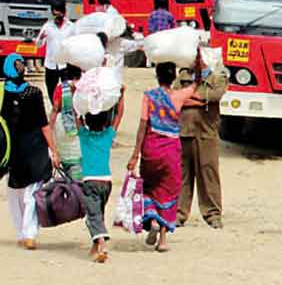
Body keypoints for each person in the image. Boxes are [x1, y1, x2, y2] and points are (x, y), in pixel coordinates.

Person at [127, 55, 202, 252]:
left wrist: (135, 154)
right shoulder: (178, 96)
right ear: (173, 77)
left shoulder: (149, 96)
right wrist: (198, 61)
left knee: (150, 188)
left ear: (157, 76)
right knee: (168, 191)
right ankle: (162, 240)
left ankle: (151, 218)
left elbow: (143, 125)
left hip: (151, 150)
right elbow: (198, 83)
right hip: (171, 150)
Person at [1, 53, 60, 250]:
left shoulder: (1, 93)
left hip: (12, 150)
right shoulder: (33, 93)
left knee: (14, 193)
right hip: (34, 147)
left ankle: (20, 232)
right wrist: (54, 150)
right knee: (32, 192)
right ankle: (30, 234)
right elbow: (43, 125)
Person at [176, 57, 229, 229]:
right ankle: (179, 213)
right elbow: (175, 97)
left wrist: (190, 97)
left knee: (208, 174)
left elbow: (214, 96)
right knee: (182, 176)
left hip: (207, 133)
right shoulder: (183, 75)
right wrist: (196, 99)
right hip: (184, 132)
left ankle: (213, 214)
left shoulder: (218, 77)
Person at [78, 109, 121, 263]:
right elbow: (118, 115)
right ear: (105, 122)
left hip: (90, 181)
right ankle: (95, 246)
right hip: (106, 182)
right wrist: (121, 97)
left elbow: (76, 117)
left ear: (87, 122)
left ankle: (102, 245)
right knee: (99, 214)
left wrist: (74, 95)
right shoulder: (108, 136)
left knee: (93, 216)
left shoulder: (84, 136)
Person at [48, 63, 83, 180]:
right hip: (76, 125)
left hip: (60, 125)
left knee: (63, 159)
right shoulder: (82, 86)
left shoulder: (60, 87)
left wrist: (50, 129)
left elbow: (55, 108)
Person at [35, 1, 74, 104]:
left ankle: (67, 111)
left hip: (66, 65)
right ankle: (55, 109)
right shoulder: (47, 27)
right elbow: (38, 44)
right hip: (51, 64)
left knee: (67, 91)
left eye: (59, 12)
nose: (57, 15)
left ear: (63, 13)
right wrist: (41, 38)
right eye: (55, 13)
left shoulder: (71, 27)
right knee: (51, 90)